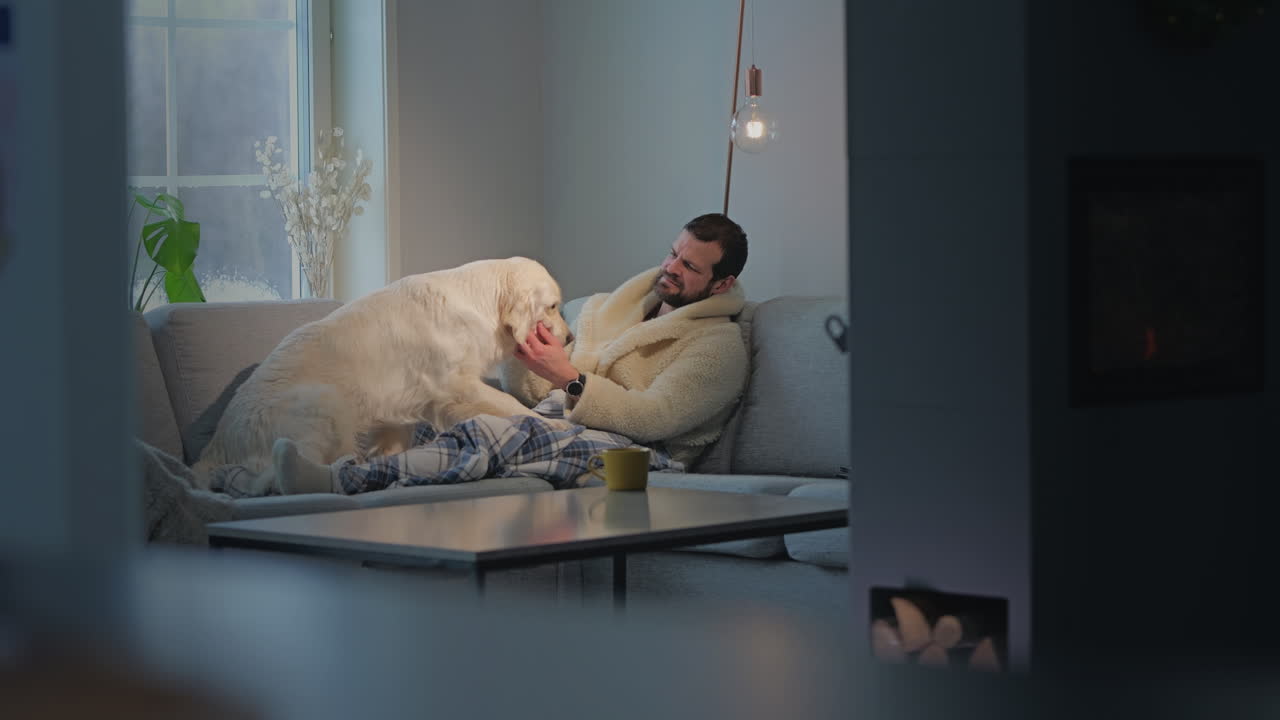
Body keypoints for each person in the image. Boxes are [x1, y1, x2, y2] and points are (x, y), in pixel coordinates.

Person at [272, 212, 749, 494]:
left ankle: (338, 482)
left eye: (690, 266)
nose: (671, 268)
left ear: (722, 283)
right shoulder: (610, 310)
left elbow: (657, 418)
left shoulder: (718, 349)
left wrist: (570, 379)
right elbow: (535, 391)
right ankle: (262, 481)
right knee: (427, 418)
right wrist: (525, 356)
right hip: (563, 421)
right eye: (672, 253)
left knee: (489, 432)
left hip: (639, 456)